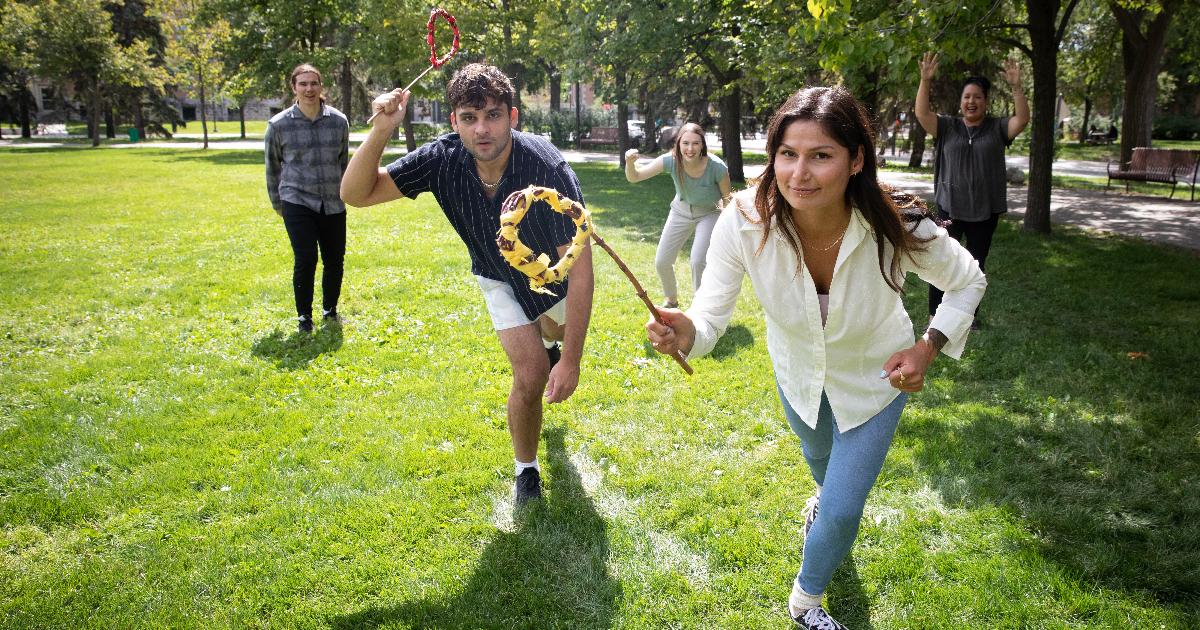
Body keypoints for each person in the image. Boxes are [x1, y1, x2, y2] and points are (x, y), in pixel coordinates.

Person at [644, 87, 986, 630]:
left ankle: (804, 603)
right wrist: (687, 332)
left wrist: (928, 346)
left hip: (878, 381)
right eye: (787, 154)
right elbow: (707, 318)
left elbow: (968, 281)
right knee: (824, 471)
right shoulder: (744, 219)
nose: (798, 173)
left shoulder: (894, 219)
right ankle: (823, 510)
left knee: (845, 505)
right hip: (798, 376)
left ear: (855, 160)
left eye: (820, 156)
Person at [340, 64, 594, 505]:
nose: (482, 129)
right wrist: (382, 130)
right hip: (496, 274)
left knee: (554, 333)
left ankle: (551, 345)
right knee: (531, 375)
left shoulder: (546, 165)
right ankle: (526, 472)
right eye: (468, 117)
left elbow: (584, 271)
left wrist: (571, 360)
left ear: (513, 117)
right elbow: (356, 193)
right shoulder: (441, 160)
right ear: (453, 120)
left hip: (550, 274)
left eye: (493, 115)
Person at [915, 52, 1028, 330]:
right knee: (941, 261)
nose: (971, 101)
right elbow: (922, 113)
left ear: (985, 102)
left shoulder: (997, 127)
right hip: (949, 208)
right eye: (967, 96)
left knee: (974, 266)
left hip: (985, 211)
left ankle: (967, 317)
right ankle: (935, 316)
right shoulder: (948, 127)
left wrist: (1016, 87)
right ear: (960, 102)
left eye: (977, 96)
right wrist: (925, 80)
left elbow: (1022, 120)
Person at [265, 63, 351, 333]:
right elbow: (272, 167)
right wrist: (278, 204)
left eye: (313, 83)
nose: (309, 89)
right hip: (297, 201)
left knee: (334, 259)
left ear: (321, 86)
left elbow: (343, 162)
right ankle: (304, 318)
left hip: (332, 202)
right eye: (303, 84)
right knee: (305, 260)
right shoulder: (278, 125)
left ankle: (330, 310)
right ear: (294, 88)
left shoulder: (338, 121)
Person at [624, 123, 732, 308]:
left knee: (698, 261)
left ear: (702, 145)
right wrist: (629, 163)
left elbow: (728, 198)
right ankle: (672, 301)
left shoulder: (717, 167)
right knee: (662, 261)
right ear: (679, 144)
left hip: (709, 213)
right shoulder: (671, 160)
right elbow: (635, 177)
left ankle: (702, 307)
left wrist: (725, 226)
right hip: (680, 211)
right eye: (686, 143)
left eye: (696, 143)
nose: (690, 149)